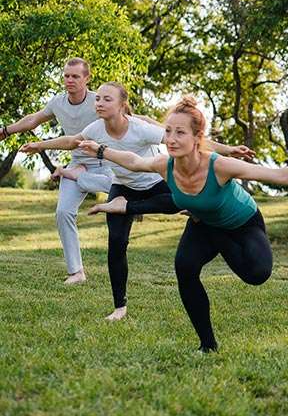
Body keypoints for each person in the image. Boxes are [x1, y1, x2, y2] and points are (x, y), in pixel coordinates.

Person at [79, 96, 288, 352]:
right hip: (204, 223)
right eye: (168, 131)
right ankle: (207, 345)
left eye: (180, 133)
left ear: (197, 138)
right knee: (185, 268)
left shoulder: (218, 165)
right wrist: (101, 150)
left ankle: (216, 238)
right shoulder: (163, 164)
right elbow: (132, 160)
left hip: (242, 223)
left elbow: (279, 176)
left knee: (257, 274)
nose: (171, 139)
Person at [20, 82, 253, 320]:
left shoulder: (140, 129)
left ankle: (195, 216)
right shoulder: (95, 128)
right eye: (97, 98)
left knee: (184, 201)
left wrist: (227, 149)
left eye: (106, 99)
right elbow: (71, 141)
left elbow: (189, 141)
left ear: (122, 105)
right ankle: (119, 307)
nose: (99, 103)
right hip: (123, 187)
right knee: (117, 243)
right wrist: (39, 145)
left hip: (155, 184)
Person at [0, 58, 165, 283]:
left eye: (75, 76)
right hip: (79, 161)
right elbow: (33, 119)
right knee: (63, 212)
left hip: (108, 162)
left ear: (87, 79)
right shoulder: (58, 103)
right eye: (66, 75)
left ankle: (82, 178)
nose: (70, 80)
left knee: (131, 187)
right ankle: (76, 272)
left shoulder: (101, 101)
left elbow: (135, 119)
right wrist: (6, 131)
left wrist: (170, 131)